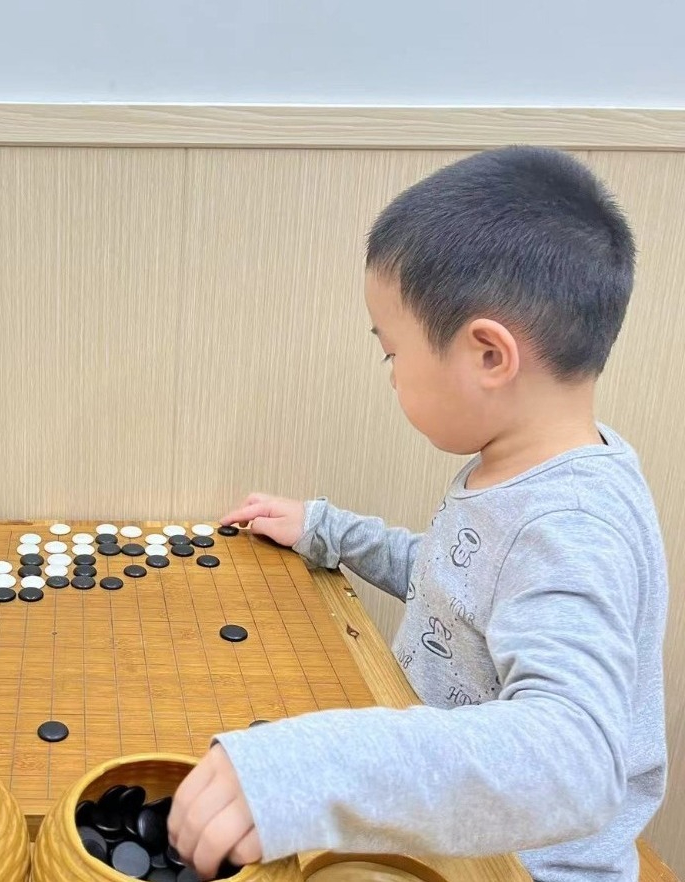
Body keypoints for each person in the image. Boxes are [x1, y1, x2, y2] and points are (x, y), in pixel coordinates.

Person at [168, 147, 667, 882]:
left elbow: (576, 762)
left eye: (391, 353)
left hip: (524, 866)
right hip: (450, 830)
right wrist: (330, 531)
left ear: (489, 355)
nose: (391, 374)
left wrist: (312, 767)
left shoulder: (572, 526)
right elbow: (456, 589)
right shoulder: (521, 468)